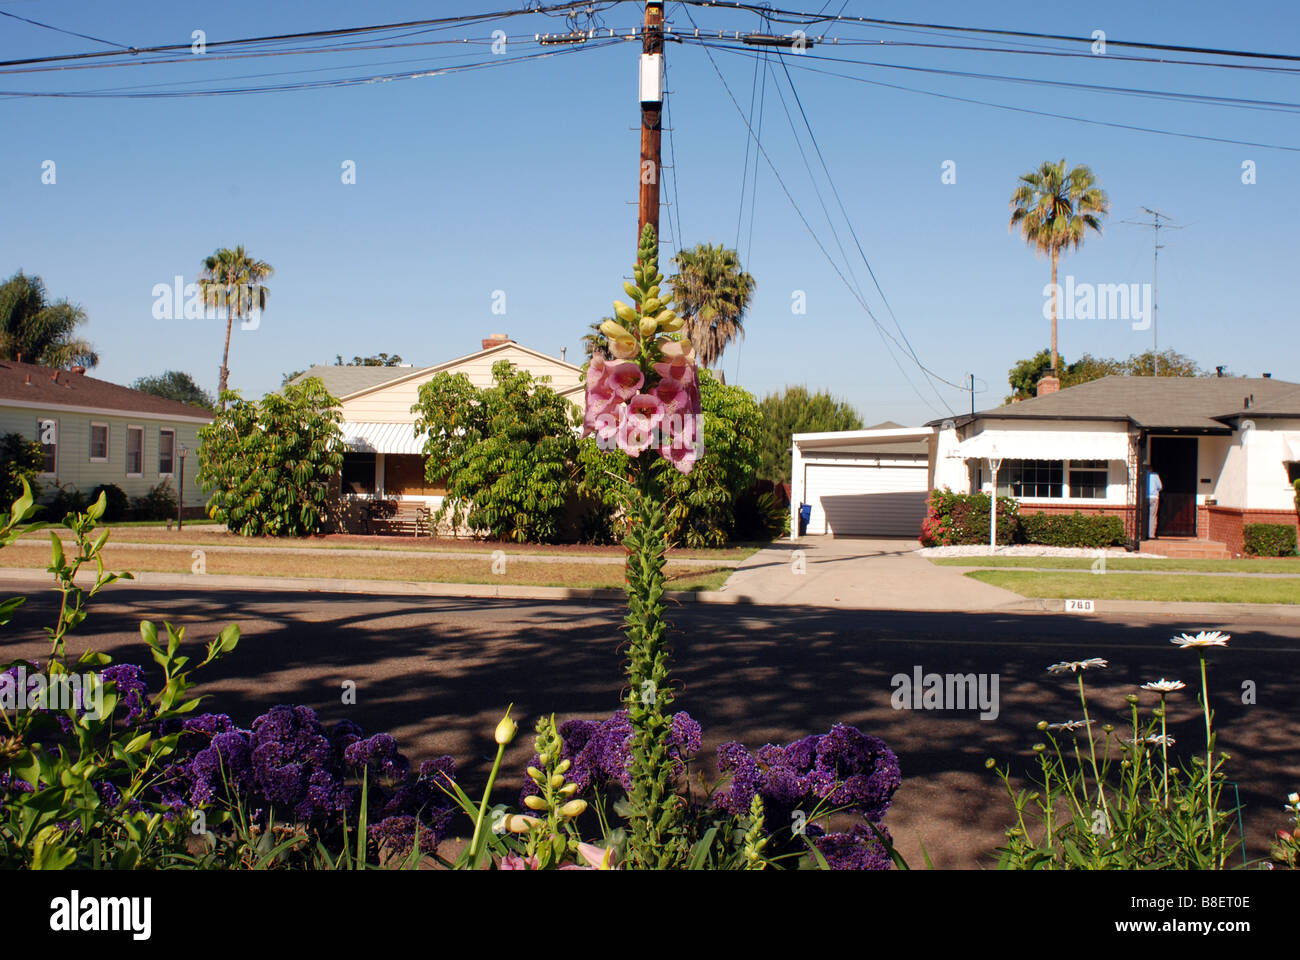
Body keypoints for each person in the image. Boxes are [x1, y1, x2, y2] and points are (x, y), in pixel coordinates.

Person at [1146, 466, 1163, 538]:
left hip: (1145, 497)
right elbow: (1160, 487)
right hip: (1154, 497)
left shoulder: (1144, 476)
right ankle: (1151, 534)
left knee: (1145, 516)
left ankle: (1143, 533)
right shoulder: (1155, 476)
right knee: (1152, 516)